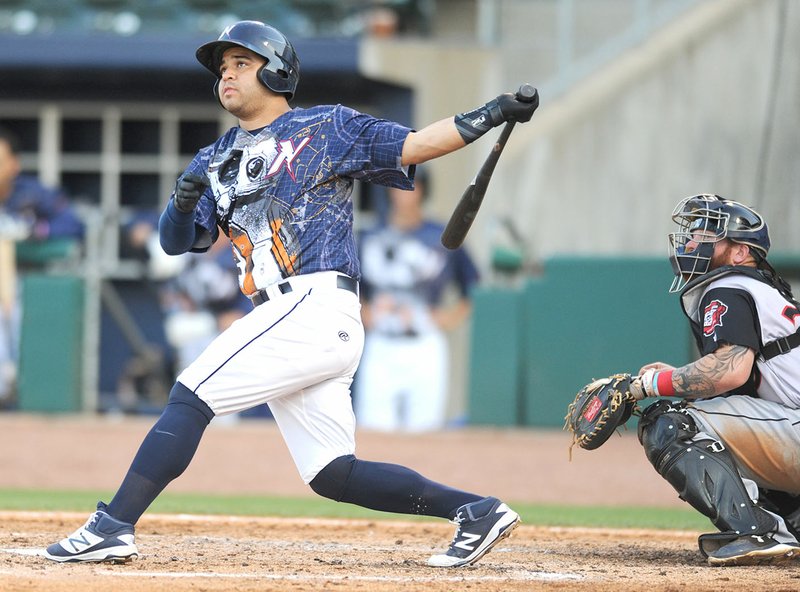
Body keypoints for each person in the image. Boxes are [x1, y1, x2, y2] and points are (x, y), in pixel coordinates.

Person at [43, 20, 538, 567]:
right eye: (222, 68)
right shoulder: (216, 157)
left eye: (240, 64)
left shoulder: (325, 126)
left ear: (276, 71)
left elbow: (417, 145)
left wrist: (491, 114)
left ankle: (113, 524)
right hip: (293, 317)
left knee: (191, 394)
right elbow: (175, 243)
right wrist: (181, 203)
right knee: (332, 473)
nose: (226, 75)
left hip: (312, 304)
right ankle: (476, 510)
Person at [629, 194, 800, 566]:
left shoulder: (729, 287)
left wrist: (645, 386)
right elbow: (740, 384)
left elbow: (729, 370)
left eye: (706, 233)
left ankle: (755, 531)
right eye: (692, 232)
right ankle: (792, 522)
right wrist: (676, 376)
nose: (691, 241)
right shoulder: (756, 288)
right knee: (704, 415)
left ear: (740, 252)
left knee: (671, 423)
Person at [355, 171, 479, 431]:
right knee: (374, 429)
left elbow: (474, 285)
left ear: (422, 191)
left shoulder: (442, 236)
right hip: (380, 342)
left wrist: (449, 318)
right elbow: (351, 285)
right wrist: (362, 310)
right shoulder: (369, 236)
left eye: (411, 187)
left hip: (425, 343)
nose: (403, 194)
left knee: (425, 428)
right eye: (397, 187)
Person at [0, 125, 84, 405]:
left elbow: (73, 224)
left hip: (29, 283)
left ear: (14, 164)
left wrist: (37, 230)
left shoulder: (31, 193)